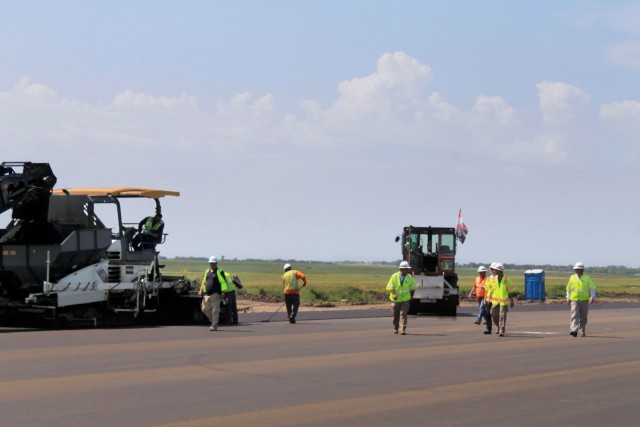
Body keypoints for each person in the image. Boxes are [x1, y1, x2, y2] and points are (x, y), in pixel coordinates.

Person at [197, 256, 230, 331]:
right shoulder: (207, 271)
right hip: (207, 294)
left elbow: (223, 283)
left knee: (215, 310)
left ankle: (214, 325)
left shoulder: (220, 271)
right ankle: (214, 321)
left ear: (216, 263)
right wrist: (200, 290)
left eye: (213, 263)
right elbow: (204, 281)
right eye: (210, 263)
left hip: (216, 294)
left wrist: (223, 292)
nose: (212, 265)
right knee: (204, 309)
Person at [386, 261, 417, 335]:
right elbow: (390, 287)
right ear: (401, 269)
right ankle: (396, 327)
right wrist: (393, 294)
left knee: (403, 314)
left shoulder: (409, 277)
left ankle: (403, 329)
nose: (406, 270)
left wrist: (411, 296)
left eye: (407, 269)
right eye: (404, 269)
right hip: (396, 300)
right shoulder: (394, 276)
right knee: (395, 314)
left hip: (405, 299)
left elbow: (413, 287)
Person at [566, 261, 596, 337]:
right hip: (574, 300)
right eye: (576, 269)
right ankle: (573, 330)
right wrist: (568, 297)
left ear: (582, 270)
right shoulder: (572, 278)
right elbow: (568, 288)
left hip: (584, 300)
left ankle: (582, 330)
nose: (577, 270)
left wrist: (592, 297)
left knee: (583, 316)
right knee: (574, 314)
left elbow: (592, 288)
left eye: (579, 269)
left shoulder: (587, 278)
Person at [489, 262, 515, 337]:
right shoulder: (493, 279)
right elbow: (491, 289)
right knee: (493, 315)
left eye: (496, 270)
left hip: (503, 302)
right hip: (495, 301)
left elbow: (511, 291)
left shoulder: (506, 279)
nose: (494, 271)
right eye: (494, 270)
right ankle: (499, 326)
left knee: (502, 316)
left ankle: (501, 330)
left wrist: (512, 301)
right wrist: (488, 298)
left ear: (500, 271)